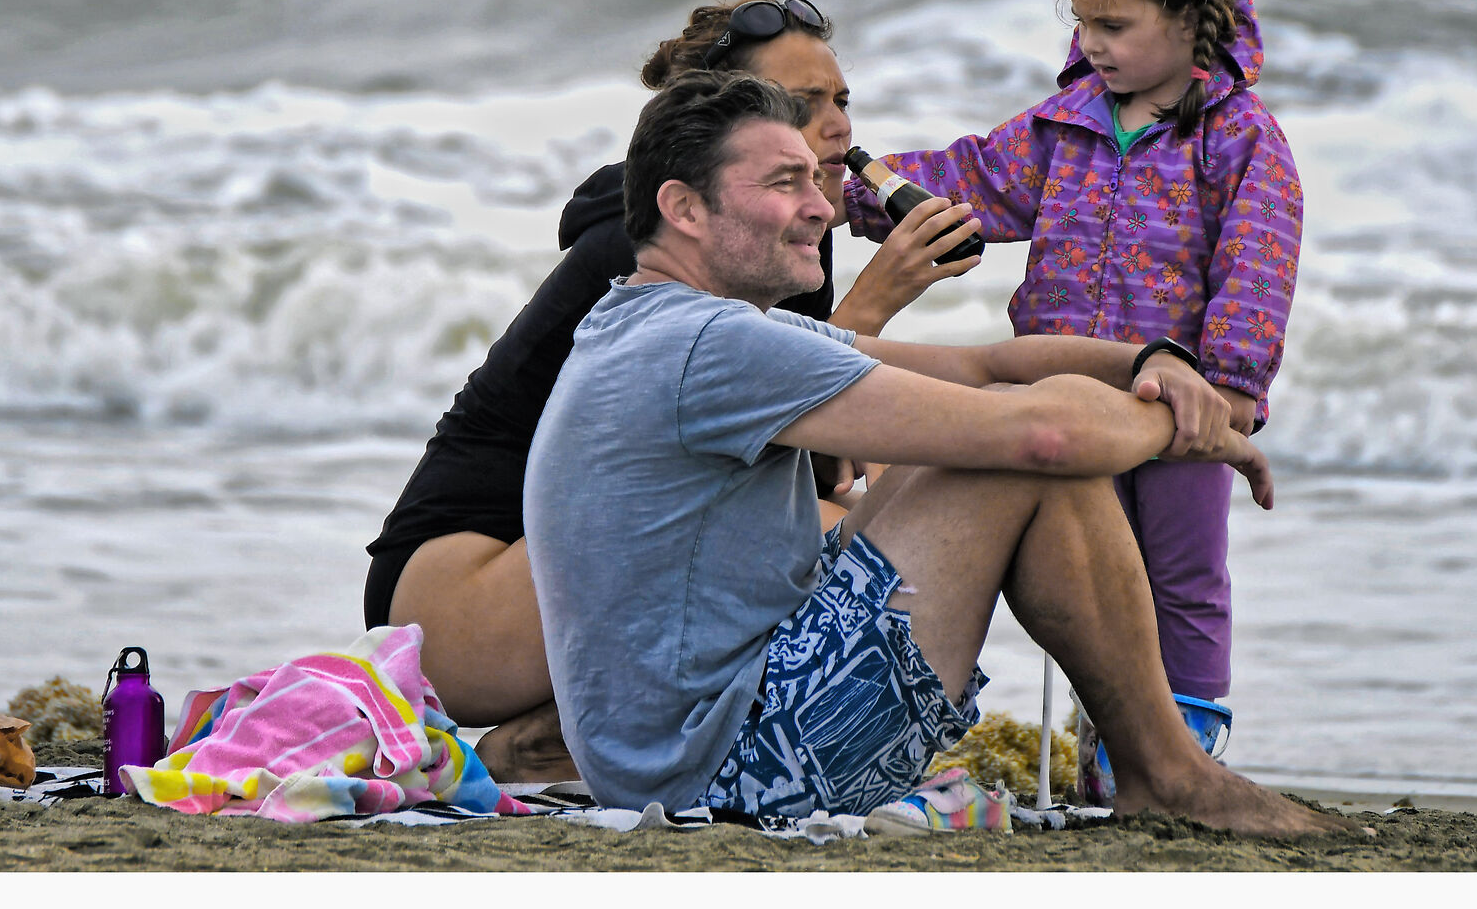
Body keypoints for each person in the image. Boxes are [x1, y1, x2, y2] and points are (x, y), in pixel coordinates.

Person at [523, 70, 1345, 835]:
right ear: (685, 208)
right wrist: (1195, 426)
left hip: (689, 757)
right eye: (786, 184)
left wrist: (1153, 364)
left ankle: (1160, 767)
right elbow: (1046, 436)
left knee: (981, 425)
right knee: (1020, 453)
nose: (821, 207)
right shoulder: (708, 342)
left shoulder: (662, 324)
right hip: (732, 770)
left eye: (817, 179)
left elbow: (981, 363)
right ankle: (1167, 770)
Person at [361, 0, 984, 774]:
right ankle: (556, 742)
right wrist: (877, 304)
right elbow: (742, 433)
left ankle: (570, 739)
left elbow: (803, 460)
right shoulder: (657, 246)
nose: (838, 129)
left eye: (841, 101)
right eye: (801, 105)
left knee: (873, 521)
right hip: (454, 597)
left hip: (559, 568)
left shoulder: (782, 239)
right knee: (826, 541)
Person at [841, 0, 1298, 762]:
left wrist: (1232, 390)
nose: (1093, 43)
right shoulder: (1065, 126)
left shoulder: (1239, 137)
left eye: (1116, 25)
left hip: (1177, 405)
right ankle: (1108, 735)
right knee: (1089, 574)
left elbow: (1260, 258)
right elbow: (969, 177)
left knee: (1183, 577)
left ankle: (1188, 736)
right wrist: (859, 189)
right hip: (1061, 398)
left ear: (1188, 18)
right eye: (1085, 22)